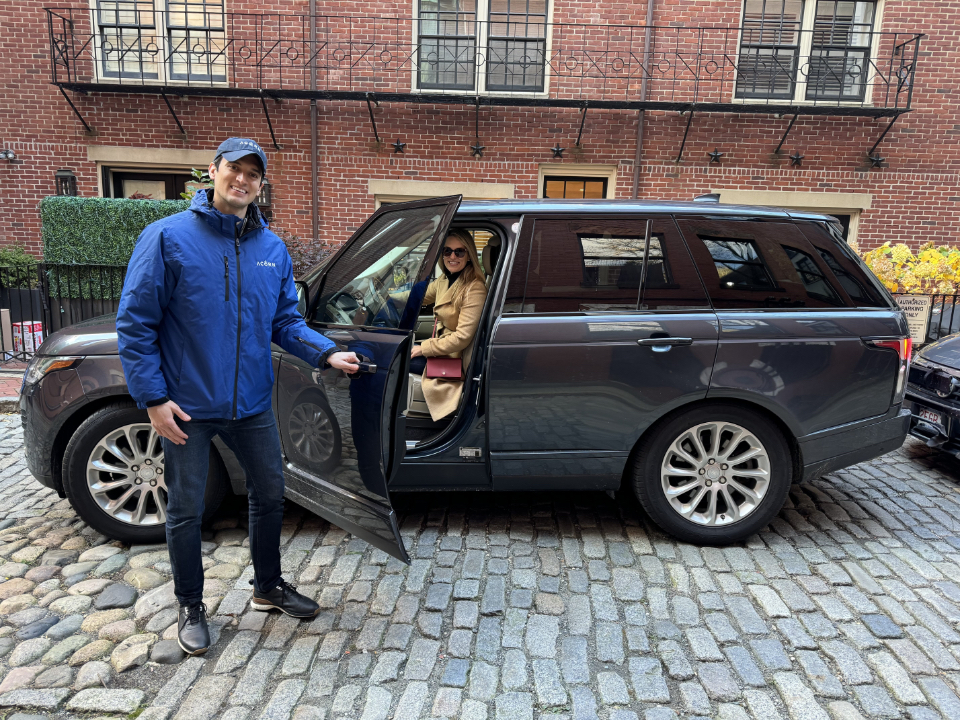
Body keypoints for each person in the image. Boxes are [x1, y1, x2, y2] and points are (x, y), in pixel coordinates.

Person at [116, 137, 360, 656]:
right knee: (184, 509)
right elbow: (136, 324)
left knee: (270, 494)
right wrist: (154, 399)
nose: (242, 180)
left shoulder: (271, 249)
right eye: (235, 169)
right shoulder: (166, 238)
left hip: (251, 404)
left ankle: (267, 588)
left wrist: (325, 353)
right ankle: (191, 606)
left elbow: (285, 321)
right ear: (213, 171)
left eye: (253, 173)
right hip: (186, 406)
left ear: (260, 183)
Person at [411, 229, 488, 421]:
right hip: (444, 348)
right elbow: (419, 297)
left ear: (469, 255)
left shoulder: (474, 287)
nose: (452, 256)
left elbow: (462, 338)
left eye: (459, 252)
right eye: (447, 251)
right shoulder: (445, 279)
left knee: (399, 362)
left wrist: (423, 348)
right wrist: (389, 299)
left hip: (456, 357)